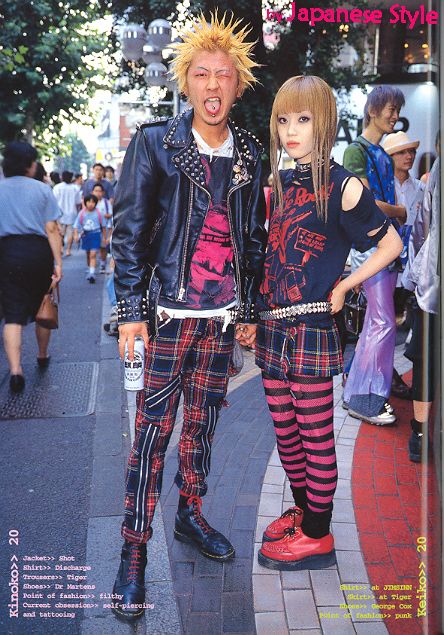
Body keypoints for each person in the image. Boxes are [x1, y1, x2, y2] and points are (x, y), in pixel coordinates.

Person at [111, 13, 266, 622]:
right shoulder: (155, 143)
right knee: (152, 435)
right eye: (201, 73)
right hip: (171, 316)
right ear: (186, 81)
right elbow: (129, 234)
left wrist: (249, 309)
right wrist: (130, 312)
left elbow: (251, 237)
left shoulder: (250, 153)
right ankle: (132, 552)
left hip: (222, 318)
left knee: (204, 423)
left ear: (236, 85)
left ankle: (190, 513)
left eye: (223, 75)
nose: (212, 84)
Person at [249, 75, 402, 572]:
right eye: (284, 120)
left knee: (315, 436)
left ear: (326, 122)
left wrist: (344, 285)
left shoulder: (344, 184)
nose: (291, 130)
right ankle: (305, 511)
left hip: (312, 329)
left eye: (304, 118)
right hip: (273, 328)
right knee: (286, 433)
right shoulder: (280, 182)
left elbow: (391, 244)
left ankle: (318, 534)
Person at [342, 85, 407, 425]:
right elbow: (365, 203)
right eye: (390, 109)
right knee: (382, 323)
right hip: (372, 248)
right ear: (372, 110)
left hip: (384, 249)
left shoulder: (377, 152)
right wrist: (400, 211)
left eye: (396, 108)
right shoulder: (357, 151)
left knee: (376, 322)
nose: (394, 115)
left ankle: (359, 394)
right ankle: (368, 398)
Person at [0, 142, 63, 392]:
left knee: (13, 315)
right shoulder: (42, 190)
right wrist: (58, 262)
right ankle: (42, 354)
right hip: (38, 253)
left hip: (6, 252)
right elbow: (51, 229)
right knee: (41, 302)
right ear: (29, 164)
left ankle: (16, 370)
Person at [402, 153, 440, 462]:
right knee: (425, 360)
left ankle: (421, 430)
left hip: (431, 285)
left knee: (426, 360)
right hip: (433, 287)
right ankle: (419, 430)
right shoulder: (437, 171)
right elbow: (423, 227)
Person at [382, 131, 424, 329]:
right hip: (383, 262)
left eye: (411, 151)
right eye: (401, 152)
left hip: (412, 266)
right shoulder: (381, 190)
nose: (409, 156)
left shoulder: (420, 188)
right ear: (389, 157)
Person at [73, 194, 105, 283]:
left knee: (93, 254)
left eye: (93, 202)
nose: (91, 204)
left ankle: (92, 273)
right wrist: (76, 235)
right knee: (88, 254)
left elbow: (104, 226)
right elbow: (76, 225)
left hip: (96, 234)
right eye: (89, 202)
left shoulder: (99, 213)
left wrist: (104, 237)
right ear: (85, 203)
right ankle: (90, 268)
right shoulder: (82, 213)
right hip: (86, 235)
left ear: (95, 203)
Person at [53, 170, 82, 257]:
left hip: (60, 213)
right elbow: (78, 202)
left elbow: (54, 200)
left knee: (60, 232)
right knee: (70, 233)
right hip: (72, 213)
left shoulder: (57, 187)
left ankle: (61, 248)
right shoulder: (75, 188)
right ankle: (68, 250)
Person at [92, 183, 112, 272]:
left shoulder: (106, 203)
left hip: (105, 228)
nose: (98, 193)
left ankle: (102, 263)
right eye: (96, 191)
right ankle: (91, 266)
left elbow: (110, 215)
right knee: (92, 248)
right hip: (92, 228)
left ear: (103, 192)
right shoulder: (90, 202)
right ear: (92, 192)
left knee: (103, 247)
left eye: (100, 191)